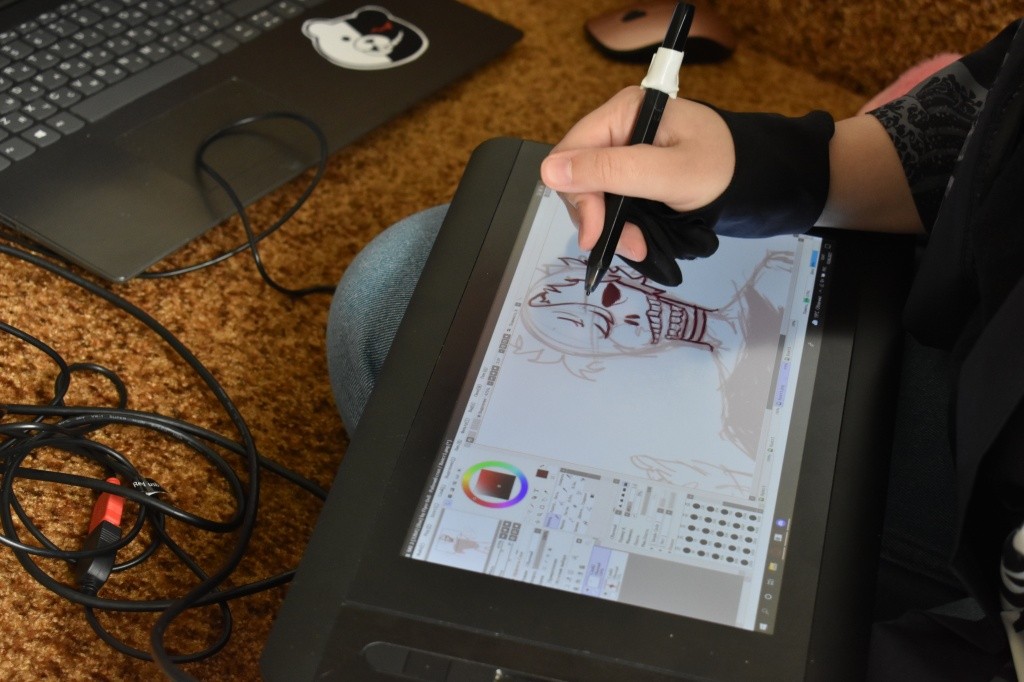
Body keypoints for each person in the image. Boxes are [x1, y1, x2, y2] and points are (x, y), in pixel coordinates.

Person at [327, 19, 1024, 681]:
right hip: (981, 367)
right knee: (401, 288)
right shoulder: (751, 326)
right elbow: (984, 134)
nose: (618, 311)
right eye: (591, 323)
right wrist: (768, 165)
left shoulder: (727, 438)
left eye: (601, 299)